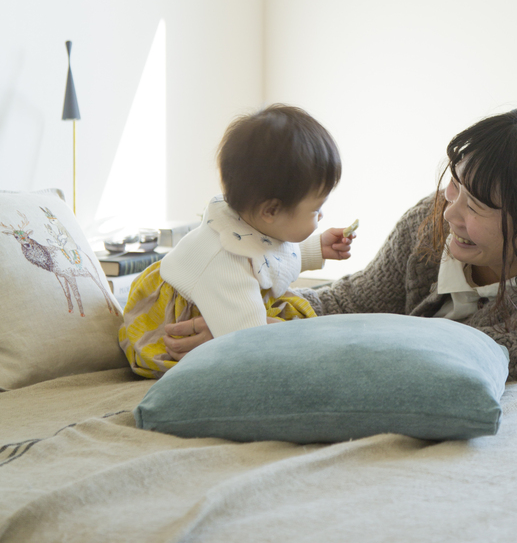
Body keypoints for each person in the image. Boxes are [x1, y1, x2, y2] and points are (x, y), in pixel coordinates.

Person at [164, 101, 517, 382]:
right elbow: (359, 299)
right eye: (454, 186)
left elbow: (446, 357)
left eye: (474, 206)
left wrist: (272, 340)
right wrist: (249, 319)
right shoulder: (430, 224)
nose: (449, 211)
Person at [119, 104, 355, 378]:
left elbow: (266, 256)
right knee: (289, 341)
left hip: (229, 304)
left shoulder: (249, 220)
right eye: (316, 209)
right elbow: (251, 344)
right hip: (177, 329)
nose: (322, 214)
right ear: (271, 211)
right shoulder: (227, 262)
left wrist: (316, 249)